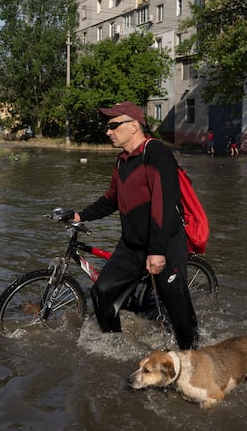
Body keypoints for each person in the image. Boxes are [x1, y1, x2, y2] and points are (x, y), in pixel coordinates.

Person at [73, 101, 199, 350]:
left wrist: (157, 250)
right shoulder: (122, 161)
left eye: (113, 125)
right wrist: (80, 215)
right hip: (132, 244)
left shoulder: (155, 153)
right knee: (102, 291)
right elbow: (112, 199)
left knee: (176, 305)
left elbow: (162, 204)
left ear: (133, 126)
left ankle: (193, 355)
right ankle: (115, 347)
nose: (108, 131)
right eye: (107, 126)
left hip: (164, 243)